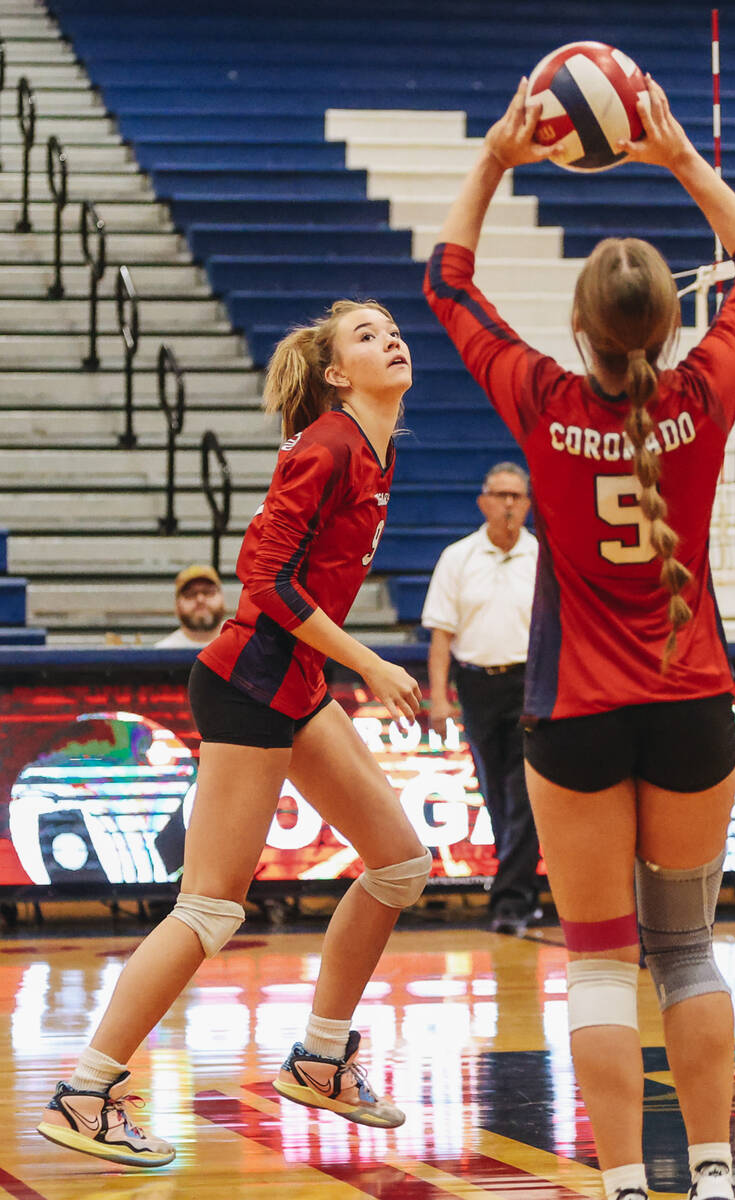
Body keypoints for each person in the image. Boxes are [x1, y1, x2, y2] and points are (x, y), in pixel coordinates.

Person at [424, 77, 735, 1200]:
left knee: (599, 965)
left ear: (577, 328)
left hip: (574, 718)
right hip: (690, 709)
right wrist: (678, 156)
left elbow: (446, 282)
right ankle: (717, 1178)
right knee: (688, 953)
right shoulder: (711, 388)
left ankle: (626, 1182)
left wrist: (493, 160)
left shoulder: (538, 396)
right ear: (670, 322)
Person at [38, 300, 432, 1166]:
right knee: (211, 908)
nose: (389, 338)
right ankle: (84, 1091)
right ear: (336, 373)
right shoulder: (330, 443)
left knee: (401, 865)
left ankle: (323, 1059)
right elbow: (264, 579)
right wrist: (367, 661)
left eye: (392, 328)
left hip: (291, 687)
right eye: (365, 336)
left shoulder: (379, 446)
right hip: (250, 683)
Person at [422, 461, 542, 934]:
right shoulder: (458, 557)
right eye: (501, 495)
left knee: (524, 795)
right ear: (483, 501)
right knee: (495, 793)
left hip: (530, 685)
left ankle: (510, 902)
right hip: (476, 685)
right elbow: (440, 637)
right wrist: (439, 698)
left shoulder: (542, 558)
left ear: (529, 504)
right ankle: (522, 894)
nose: (510, 504)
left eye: (518, 496)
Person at [154, 563, 226, 648]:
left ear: (222, 598)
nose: (200, 600)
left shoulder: (242, 648)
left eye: (208, 592)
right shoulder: (163, 653)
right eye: (190, 594)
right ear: (177, 605)